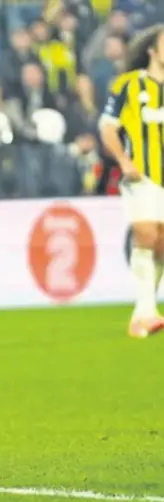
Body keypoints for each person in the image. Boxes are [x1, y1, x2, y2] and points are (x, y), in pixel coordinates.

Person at [99, 24, 164, 338]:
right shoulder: (128, 84)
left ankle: (142, 314)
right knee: (146, 233)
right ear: (152, 50)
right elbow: (107, 127)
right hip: (141, 174)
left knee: (161, 244)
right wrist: (124, 161)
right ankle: (146, 312)